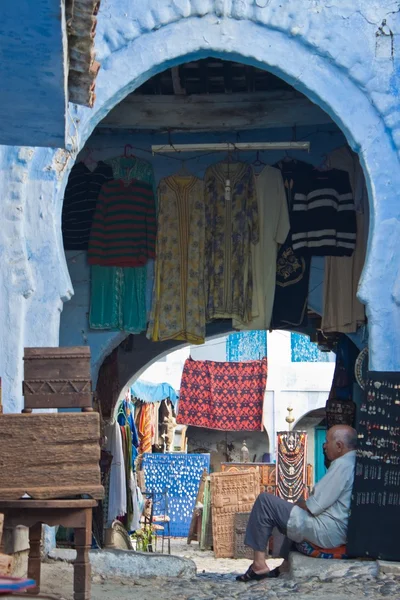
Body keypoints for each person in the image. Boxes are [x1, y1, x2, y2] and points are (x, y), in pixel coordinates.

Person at [236, 424, 357, 582]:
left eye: (327, 442)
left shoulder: (343, 465)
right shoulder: (354, 461)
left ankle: (259, 565)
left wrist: (299, 503)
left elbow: (313, 507)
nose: (325, 446)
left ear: (339, 446)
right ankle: (285, 566)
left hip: (328, 531)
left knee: (265, 501)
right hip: (338, 529)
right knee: (291, 513)